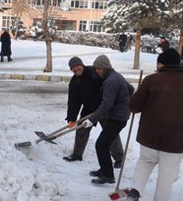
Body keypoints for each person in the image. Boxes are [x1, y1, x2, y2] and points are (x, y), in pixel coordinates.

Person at [126, 48, 183, 201]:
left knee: (145, 161)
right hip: (176, 140)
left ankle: (135, 192)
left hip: (149, 136)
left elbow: (134, 107)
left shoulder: (151, 80)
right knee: (167, 176)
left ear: (161, 64)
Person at [63, 57, 124, 165]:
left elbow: (109, 83)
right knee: (81, 129)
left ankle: (119, 158)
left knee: (110, 132)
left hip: (103, 108)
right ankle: (77, 154)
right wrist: (72, 118)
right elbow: (73, 102)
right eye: (73, 68)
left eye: (78, 66)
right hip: (89, 108)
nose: (76, 69)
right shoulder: (74, 82)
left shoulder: (93, 71)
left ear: (82, 65)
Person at [82, 55, 133, 185]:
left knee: (101, 144)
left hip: (117, 118)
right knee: (103, 143)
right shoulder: (114, 76)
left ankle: (108, 175)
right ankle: (105, 169)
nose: (97, 71)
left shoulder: (111, 81)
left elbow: (106, 105)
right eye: (96, 68)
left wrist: (92, 119)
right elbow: (130, 89)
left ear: (105, 67)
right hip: (118, 115)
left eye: (99, 68)